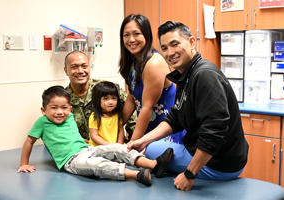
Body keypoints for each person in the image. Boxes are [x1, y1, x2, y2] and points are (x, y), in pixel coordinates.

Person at [127, 21, 249, 191]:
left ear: (192, 42)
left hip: (220, 164)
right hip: (217, 156)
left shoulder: (204, 75)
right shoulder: (186, 75)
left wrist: (189, 175)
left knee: (151, 151)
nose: (170, 53)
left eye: (175, 44)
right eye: (164, 48)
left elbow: (214, 131)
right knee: (150, 146)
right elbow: (175, 117)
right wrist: (142, 140)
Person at [17, 85, 174, 187]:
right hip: (71, 160)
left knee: (117, 147)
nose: (60, 112)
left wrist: (82, 142)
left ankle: (153, 165)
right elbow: (29, 142)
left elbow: (70, 134)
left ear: (70, 109)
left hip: (87, 148)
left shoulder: (69, 116)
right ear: (43, 110)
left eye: (64, 107)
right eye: (53, 108)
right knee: (98, 164)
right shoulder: (42, 122)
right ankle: (137, 174)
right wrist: (24, 163)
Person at [119, 14, 185, 142]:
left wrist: (133, 144)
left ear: (146, 35)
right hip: (147, 129)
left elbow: (146, 107)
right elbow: (132, 97)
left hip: (165, 132)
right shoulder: (134, 62)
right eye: (126, 35)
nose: (131, 39)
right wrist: (118, 125)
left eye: (136, 34)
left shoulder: (154, 63)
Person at [64, 50, 137, 142]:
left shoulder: (109, 90)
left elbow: (134, 121)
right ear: (66, 71)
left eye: (84, 66)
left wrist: (135, 144)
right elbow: (59, 131)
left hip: (115, 146)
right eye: (74, 67)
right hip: (80, 150)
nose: (80, 71)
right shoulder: (62, 99)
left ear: (89, 67)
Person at [88, 81, 124, 146]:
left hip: (115, 146)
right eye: (106, 99)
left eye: (114, 98)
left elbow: (120, 131)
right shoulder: (94, 116)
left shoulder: (118, 114)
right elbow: (94, 136)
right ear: (98, 100)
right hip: (99, 147)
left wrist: (119, 145)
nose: (110, 102)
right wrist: (109, 146)